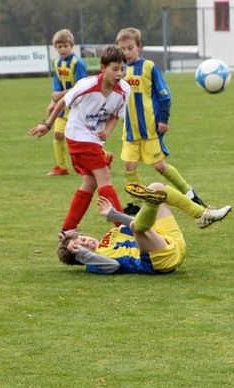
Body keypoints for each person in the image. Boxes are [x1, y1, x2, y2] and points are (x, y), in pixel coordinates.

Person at [28, 46, 130, 234]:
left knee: (89, 184)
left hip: (94, 140)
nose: (119, 73)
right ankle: (124, 230)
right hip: (77, 137)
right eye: (114, 69)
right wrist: (48, 125)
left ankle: (67, 230)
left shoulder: (124, 90)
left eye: (122, 69)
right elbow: (63, 101)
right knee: (104, 178)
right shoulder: (87, 85)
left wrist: (107, 131)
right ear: (103, 68)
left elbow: (116, 115)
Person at [116, 27, 206, 215]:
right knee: (129, 166)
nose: (126, 52)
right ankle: (136, 203)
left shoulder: (149, 67)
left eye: (130, 47)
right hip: (130, 131)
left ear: (139, 47)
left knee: (159, 166)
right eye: (122, 49)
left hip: (149, 129)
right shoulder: (119, 70)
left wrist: (163, 119)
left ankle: (189, 193)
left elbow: (164, 96)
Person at [57, 182, 232, 274]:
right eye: (83, 247)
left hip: (170, 242)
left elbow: (139, 224)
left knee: (156, 188)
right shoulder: (95, 262)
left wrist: (119, 216)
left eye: (84, 239)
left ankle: (204, 215)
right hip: (158, 261)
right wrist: (83, 254)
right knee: (138, 227)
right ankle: (150, 202)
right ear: (81, 257)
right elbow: (113, 266)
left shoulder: (111, 234)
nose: (88, 243)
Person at [45, 29, 88, 176]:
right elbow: (56, 87)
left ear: (72, 45)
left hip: (77, 106)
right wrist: (52, 102)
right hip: (63, 106)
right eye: (59, 46)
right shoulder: (57, 63)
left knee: (79, 139)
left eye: (65, 46)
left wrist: (59, 95)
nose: (62, 49)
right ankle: (61, 167)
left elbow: (80, 87)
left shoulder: (78, 63)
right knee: (57, 134)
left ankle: (103, 157)